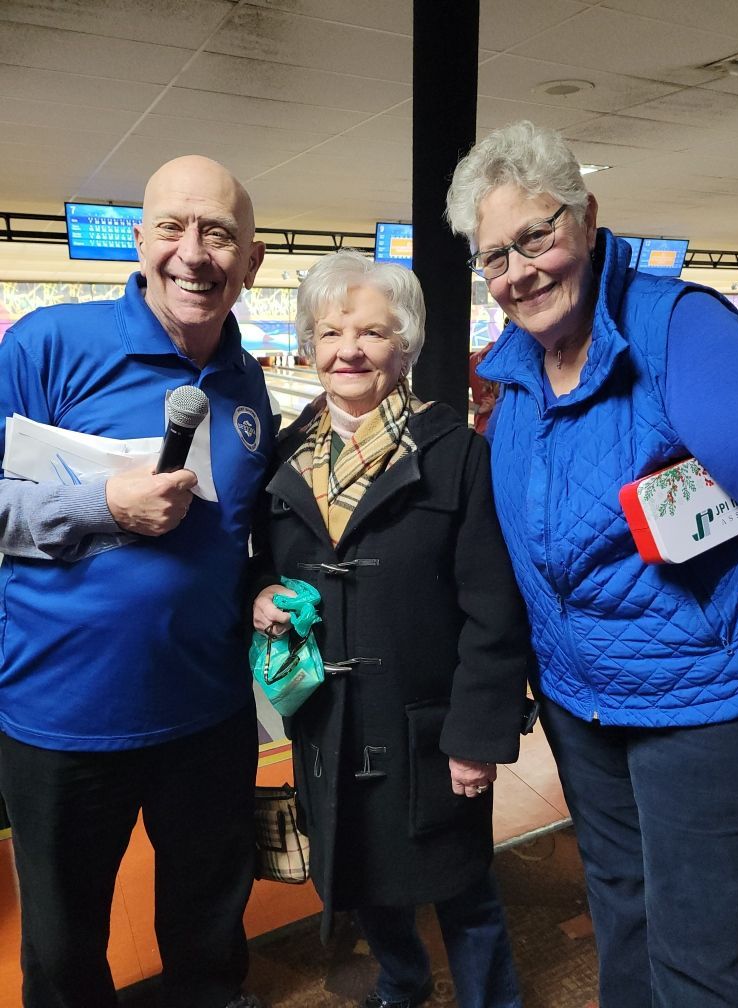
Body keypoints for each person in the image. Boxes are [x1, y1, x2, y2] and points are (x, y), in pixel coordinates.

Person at [445, 119, 738, 1008]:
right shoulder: (516, 373)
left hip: (699, 702)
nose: (519, 270)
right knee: (623, 915)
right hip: (582, 704)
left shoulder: (676, 330)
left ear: (585, 217)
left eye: (536, 235)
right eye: (494, 255)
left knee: (702, 955)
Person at [0, 155, 274, 1008]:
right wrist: (101, 505)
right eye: (172, 228)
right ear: (139, 240)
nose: (193, 253)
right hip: (63, 718)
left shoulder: (248, 381)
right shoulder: (48, 345)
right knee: (64, 952)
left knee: (209, 936)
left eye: (217, 233)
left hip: (210, 715)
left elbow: (241, 536)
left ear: (252, 260)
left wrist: (266, 588)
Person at [251, 250, 532, 1008]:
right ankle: (402, 985)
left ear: (404, 348)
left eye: (372, 333)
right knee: (363, 881)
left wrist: (477, 736)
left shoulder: (457, 455)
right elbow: (257, 565)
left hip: (426, 730)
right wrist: (260, 594)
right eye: (330, 332)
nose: (348, 350)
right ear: (308, 345)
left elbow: (494, 610)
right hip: (328, 724)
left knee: (465, 891)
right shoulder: (285, 456)